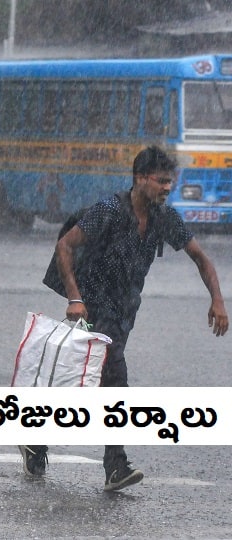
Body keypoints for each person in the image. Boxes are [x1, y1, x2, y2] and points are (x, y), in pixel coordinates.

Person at [21, 145, 229, 491]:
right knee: (115, 376)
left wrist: (218, 300)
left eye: (170, 183)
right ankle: (115, 466)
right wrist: (75, 298)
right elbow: (65, 247)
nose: (167, 188)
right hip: (91, 308)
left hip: (123, 313)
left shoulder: (165, 218)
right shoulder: (108, 211)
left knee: (85, 384)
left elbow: (201, 259)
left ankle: (36, 440)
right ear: (139, 179)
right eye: (161, 181)